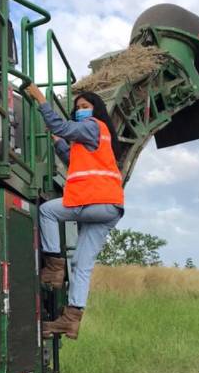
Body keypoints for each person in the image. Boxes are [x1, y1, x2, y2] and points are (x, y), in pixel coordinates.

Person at [24, 83, 124, 339]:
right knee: (82, 263)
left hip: (94, 200)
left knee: (47, 211)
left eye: (85, 107)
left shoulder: (93, 126)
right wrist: (58, 142)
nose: (80, 110)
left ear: (96, 109)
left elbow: (61, 126)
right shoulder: (97, 138)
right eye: (77, 108)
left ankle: (54, 268)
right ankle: (71, 319)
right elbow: (72, 158)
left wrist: (41, 100)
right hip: (110, 207)